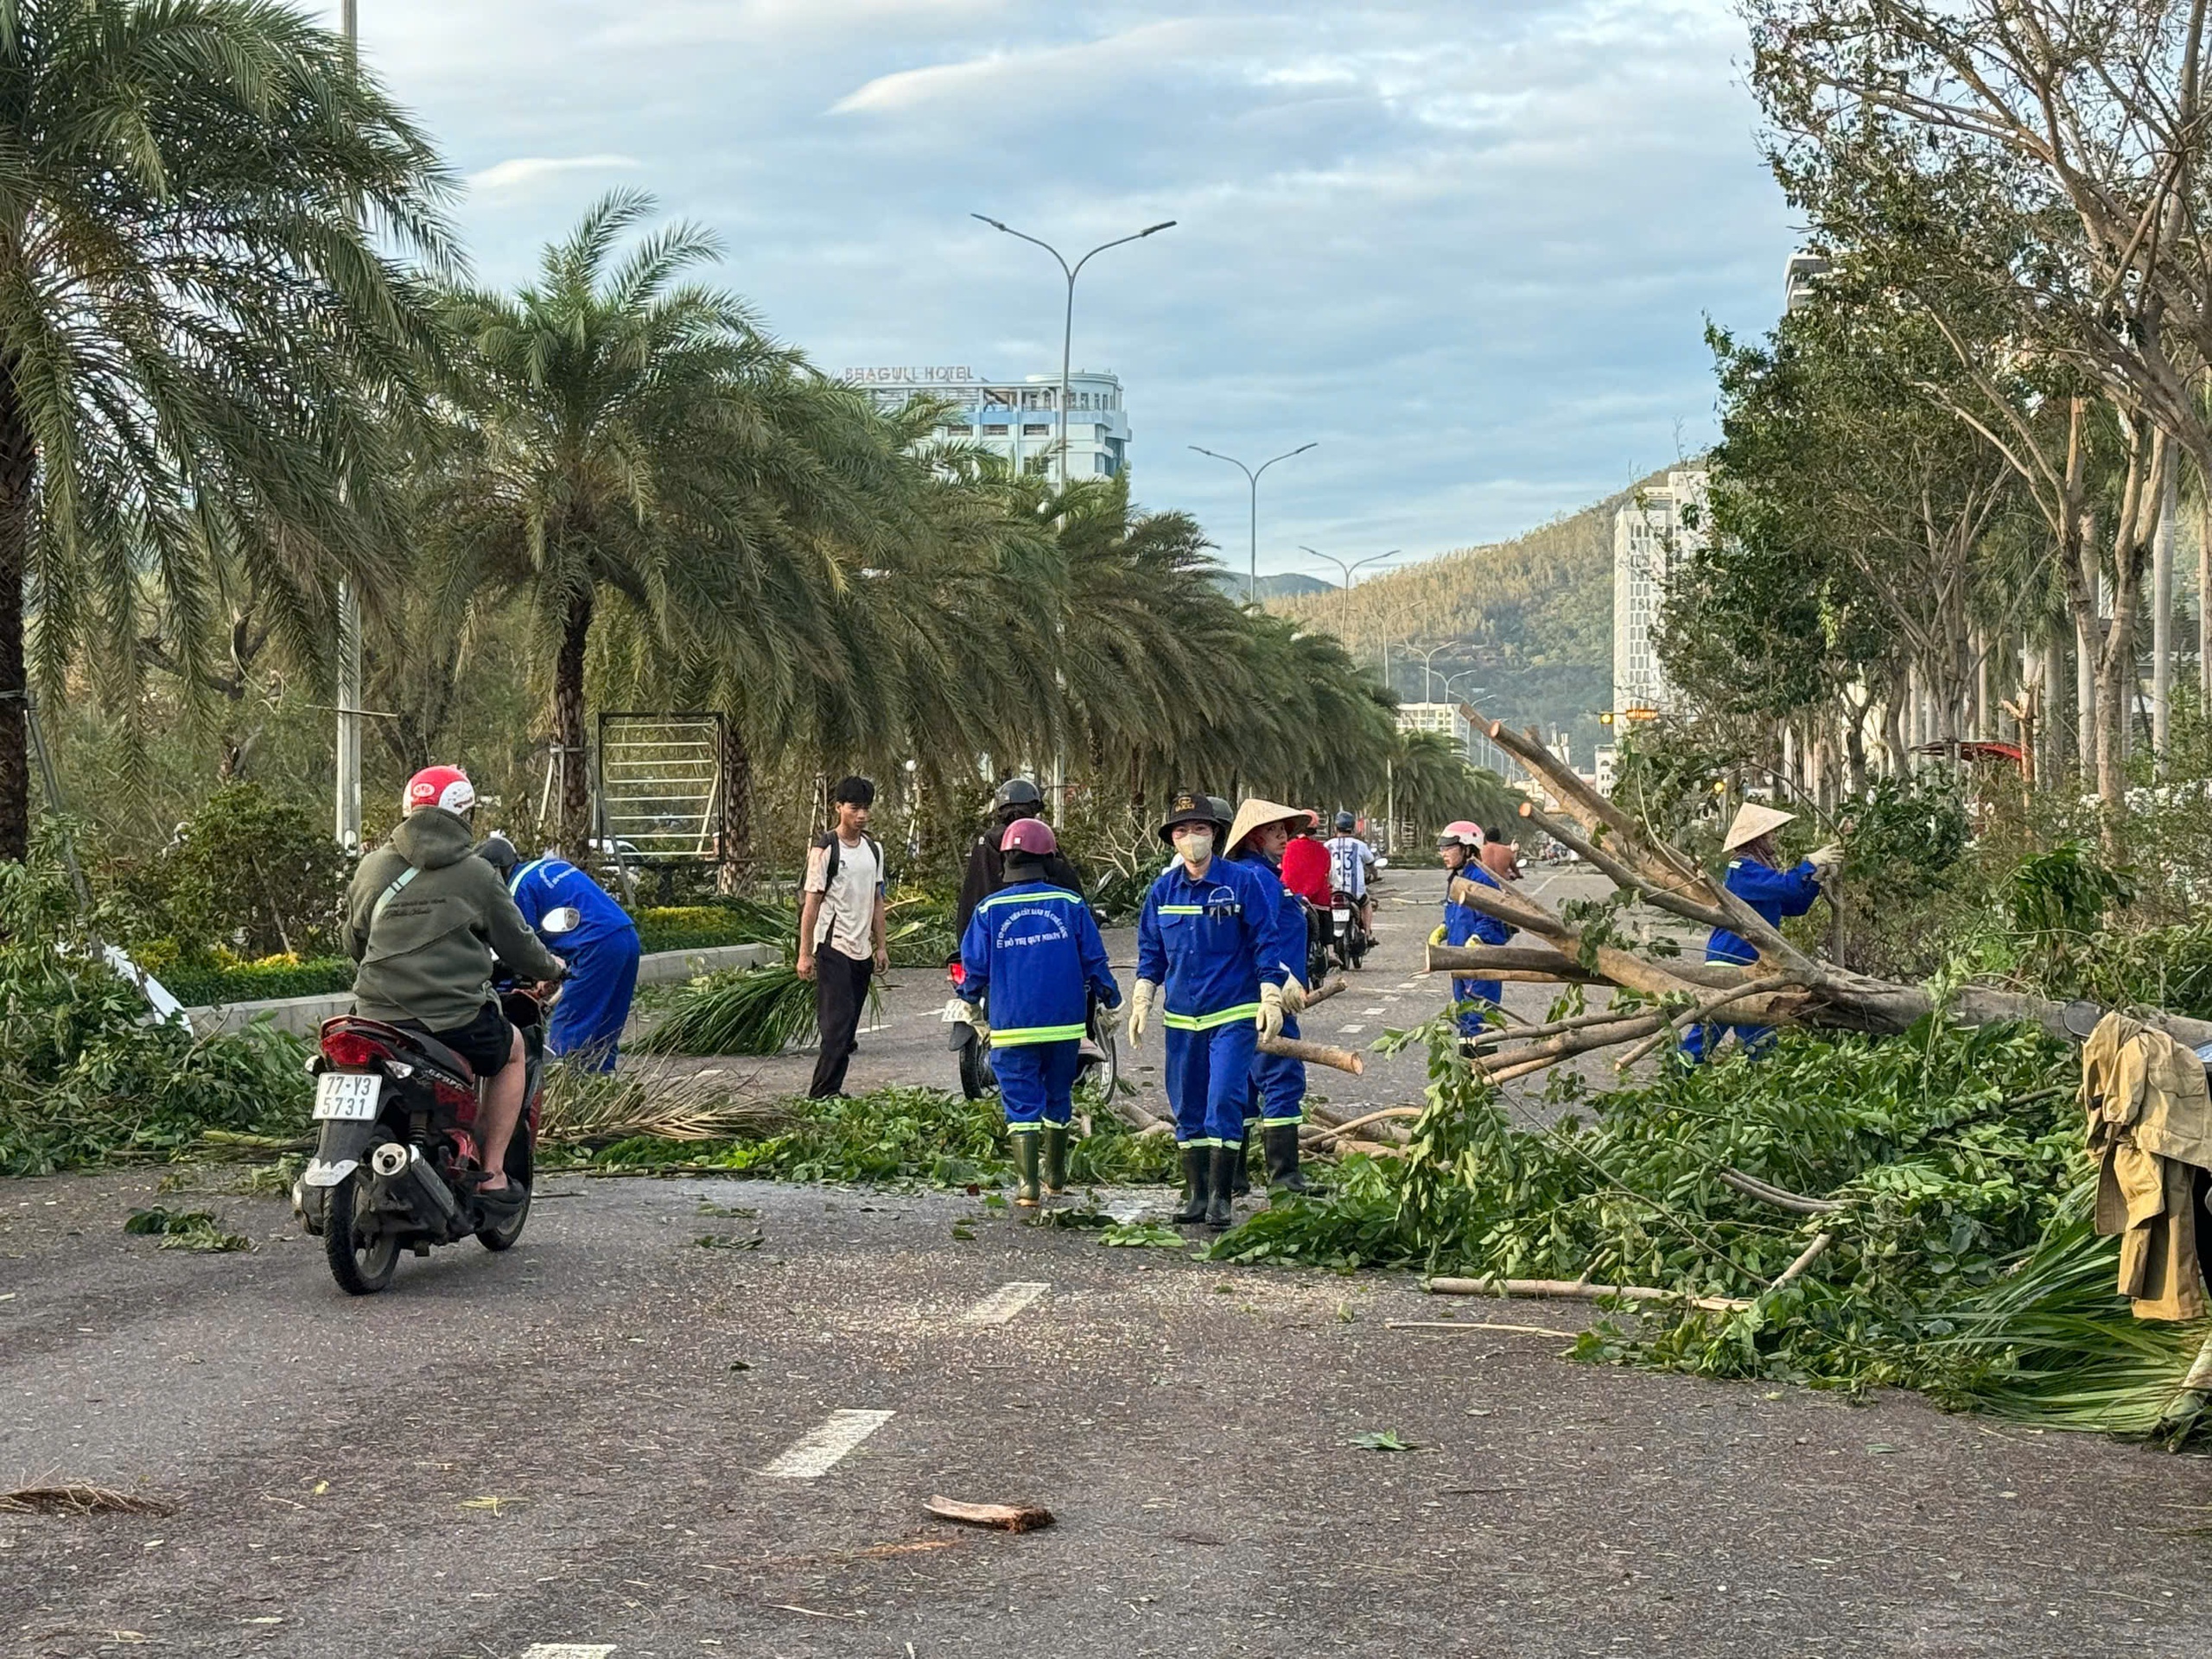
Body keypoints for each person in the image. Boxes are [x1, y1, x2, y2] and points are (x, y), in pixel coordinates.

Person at [343, 766, 566, 1209]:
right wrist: (553, 966)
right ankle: (493, 1173)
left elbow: (355, 942)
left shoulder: (372, 867)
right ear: (466, 814)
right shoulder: (477, 874)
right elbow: (519, 947)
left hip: (374, 1018)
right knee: (513, 1050)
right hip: (452, 1019)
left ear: (408, 810)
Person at [1130, 791, 1287, 1229]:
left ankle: (1222, 1197)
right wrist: (1143, 997)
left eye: (1199, 829)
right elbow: (1151, 952)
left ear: (1214, 834)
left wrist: (1271, 992)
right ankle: (1196, 1195)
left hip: (1232, 1015)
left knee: (1224, 1100)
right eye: (1182, 831)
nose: (1191, 838)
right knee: (1188, 1106)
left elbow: (1265, 943)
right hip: (1181, 1019)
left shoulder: (1241, 883)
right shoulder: (1162, 890)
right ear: (1172, 840)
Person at [957, 817, 1122, 1206]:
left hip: (1012, 1027)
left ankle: (1027, 1186)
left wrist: (969, 1001)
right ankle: (1056, 1177)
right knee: (1058, 1094)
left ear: (1006, 860)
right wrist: (1112, 1000)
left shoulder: (988, 910)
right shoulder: (1070, 904)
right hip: (1064, 1028)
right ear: (1048, 859)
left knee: (1020, 1103)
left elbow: (974, 968)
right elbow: (1094, 960)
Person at [1680, 803, 1842, 1064]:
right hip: (1732, 962)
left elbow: (1793, 905)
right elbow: (1786, 887)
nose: (1774, 839)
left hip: (1752, 965)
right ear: (1757, 839)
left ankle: (1689, 1076)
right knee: (1721, 1030)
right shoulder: (1741, 871)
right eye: (1770, 834)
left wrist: (1814, 879)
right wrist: (1808, 864)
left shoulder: (1759, 872)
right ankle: (1680, 1075)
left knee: (1749, 1032)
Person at [475, 836, 642, 1072]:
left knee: (568, 1027)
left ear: (495, 872)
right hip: (625, 935)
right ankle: (602, 1086)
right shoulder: (549, 866)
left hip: (594, 948)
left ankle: (559, 1089)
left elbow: (521, 946)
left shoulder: (517, 888)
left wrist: (528, 977)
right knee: (605, 1026)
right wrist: (552, 975)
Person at [1226, 798, 1319, 1194]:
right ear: (1252, 837)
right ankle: (1285, 1178)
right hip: (1268, 998)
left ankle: (1235, 1177)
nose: (1284, 837)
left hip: (1250, 995)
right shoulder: (1256, 878)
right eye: (1275, 831)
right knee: (1282, 1080)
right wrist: (1282, 979)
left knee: (1245, 1086)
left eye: (1286, 830)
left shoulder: (1261, 875)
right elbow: (1254, 936)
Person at [798, 776, 889, 1099]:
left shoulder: (874, 850)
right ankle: (821, 1092)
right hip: (832, 947)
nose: (861, 815)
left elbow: (878, 900)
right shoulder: (826, 849)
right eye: (855, 808)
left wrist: (881, 946)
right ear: (839, 808)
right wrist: (805, 954)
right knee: (836, 1026)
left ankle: (832, 1090)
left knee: (849, 1027)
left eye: (866, 808)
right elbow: (812, 905)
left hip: (862, 950)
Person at [954, 777, 1086, 939]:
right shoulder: (1039, 835)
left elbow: (973, 893)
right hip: (1043, 930)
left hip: (994, 934)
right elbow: (1068, 882)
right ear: (1033, 807)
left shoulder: (987, 841)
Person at [1435, 822, 1512, 1049]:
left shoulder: (1482, 879)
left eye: (1449, 848)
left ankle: (1485, 1075)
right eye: (1442, 848)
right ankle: (1467, 1075)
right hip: (1461, 960)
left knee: (1479, 1021)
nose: (1444, 853)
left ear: (1467, 848)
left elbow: (1491, 921)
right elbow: (1456, 915)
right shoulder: (1457, 878)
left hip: (1480, 962)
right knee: (1463, 1018)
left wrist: (1479, 938)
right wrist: (1443, 929)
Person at [1324, 810, 1379, 938]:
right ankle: (1367, 932)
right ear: (1353, 828)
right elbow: (1371, 864)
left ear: (1335, 828)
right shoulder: (1360, 845)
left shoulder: (1328, 845)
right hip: (1354, 893)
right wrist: (1374, 875)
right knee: (1366, 903)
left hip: (1332, 891)